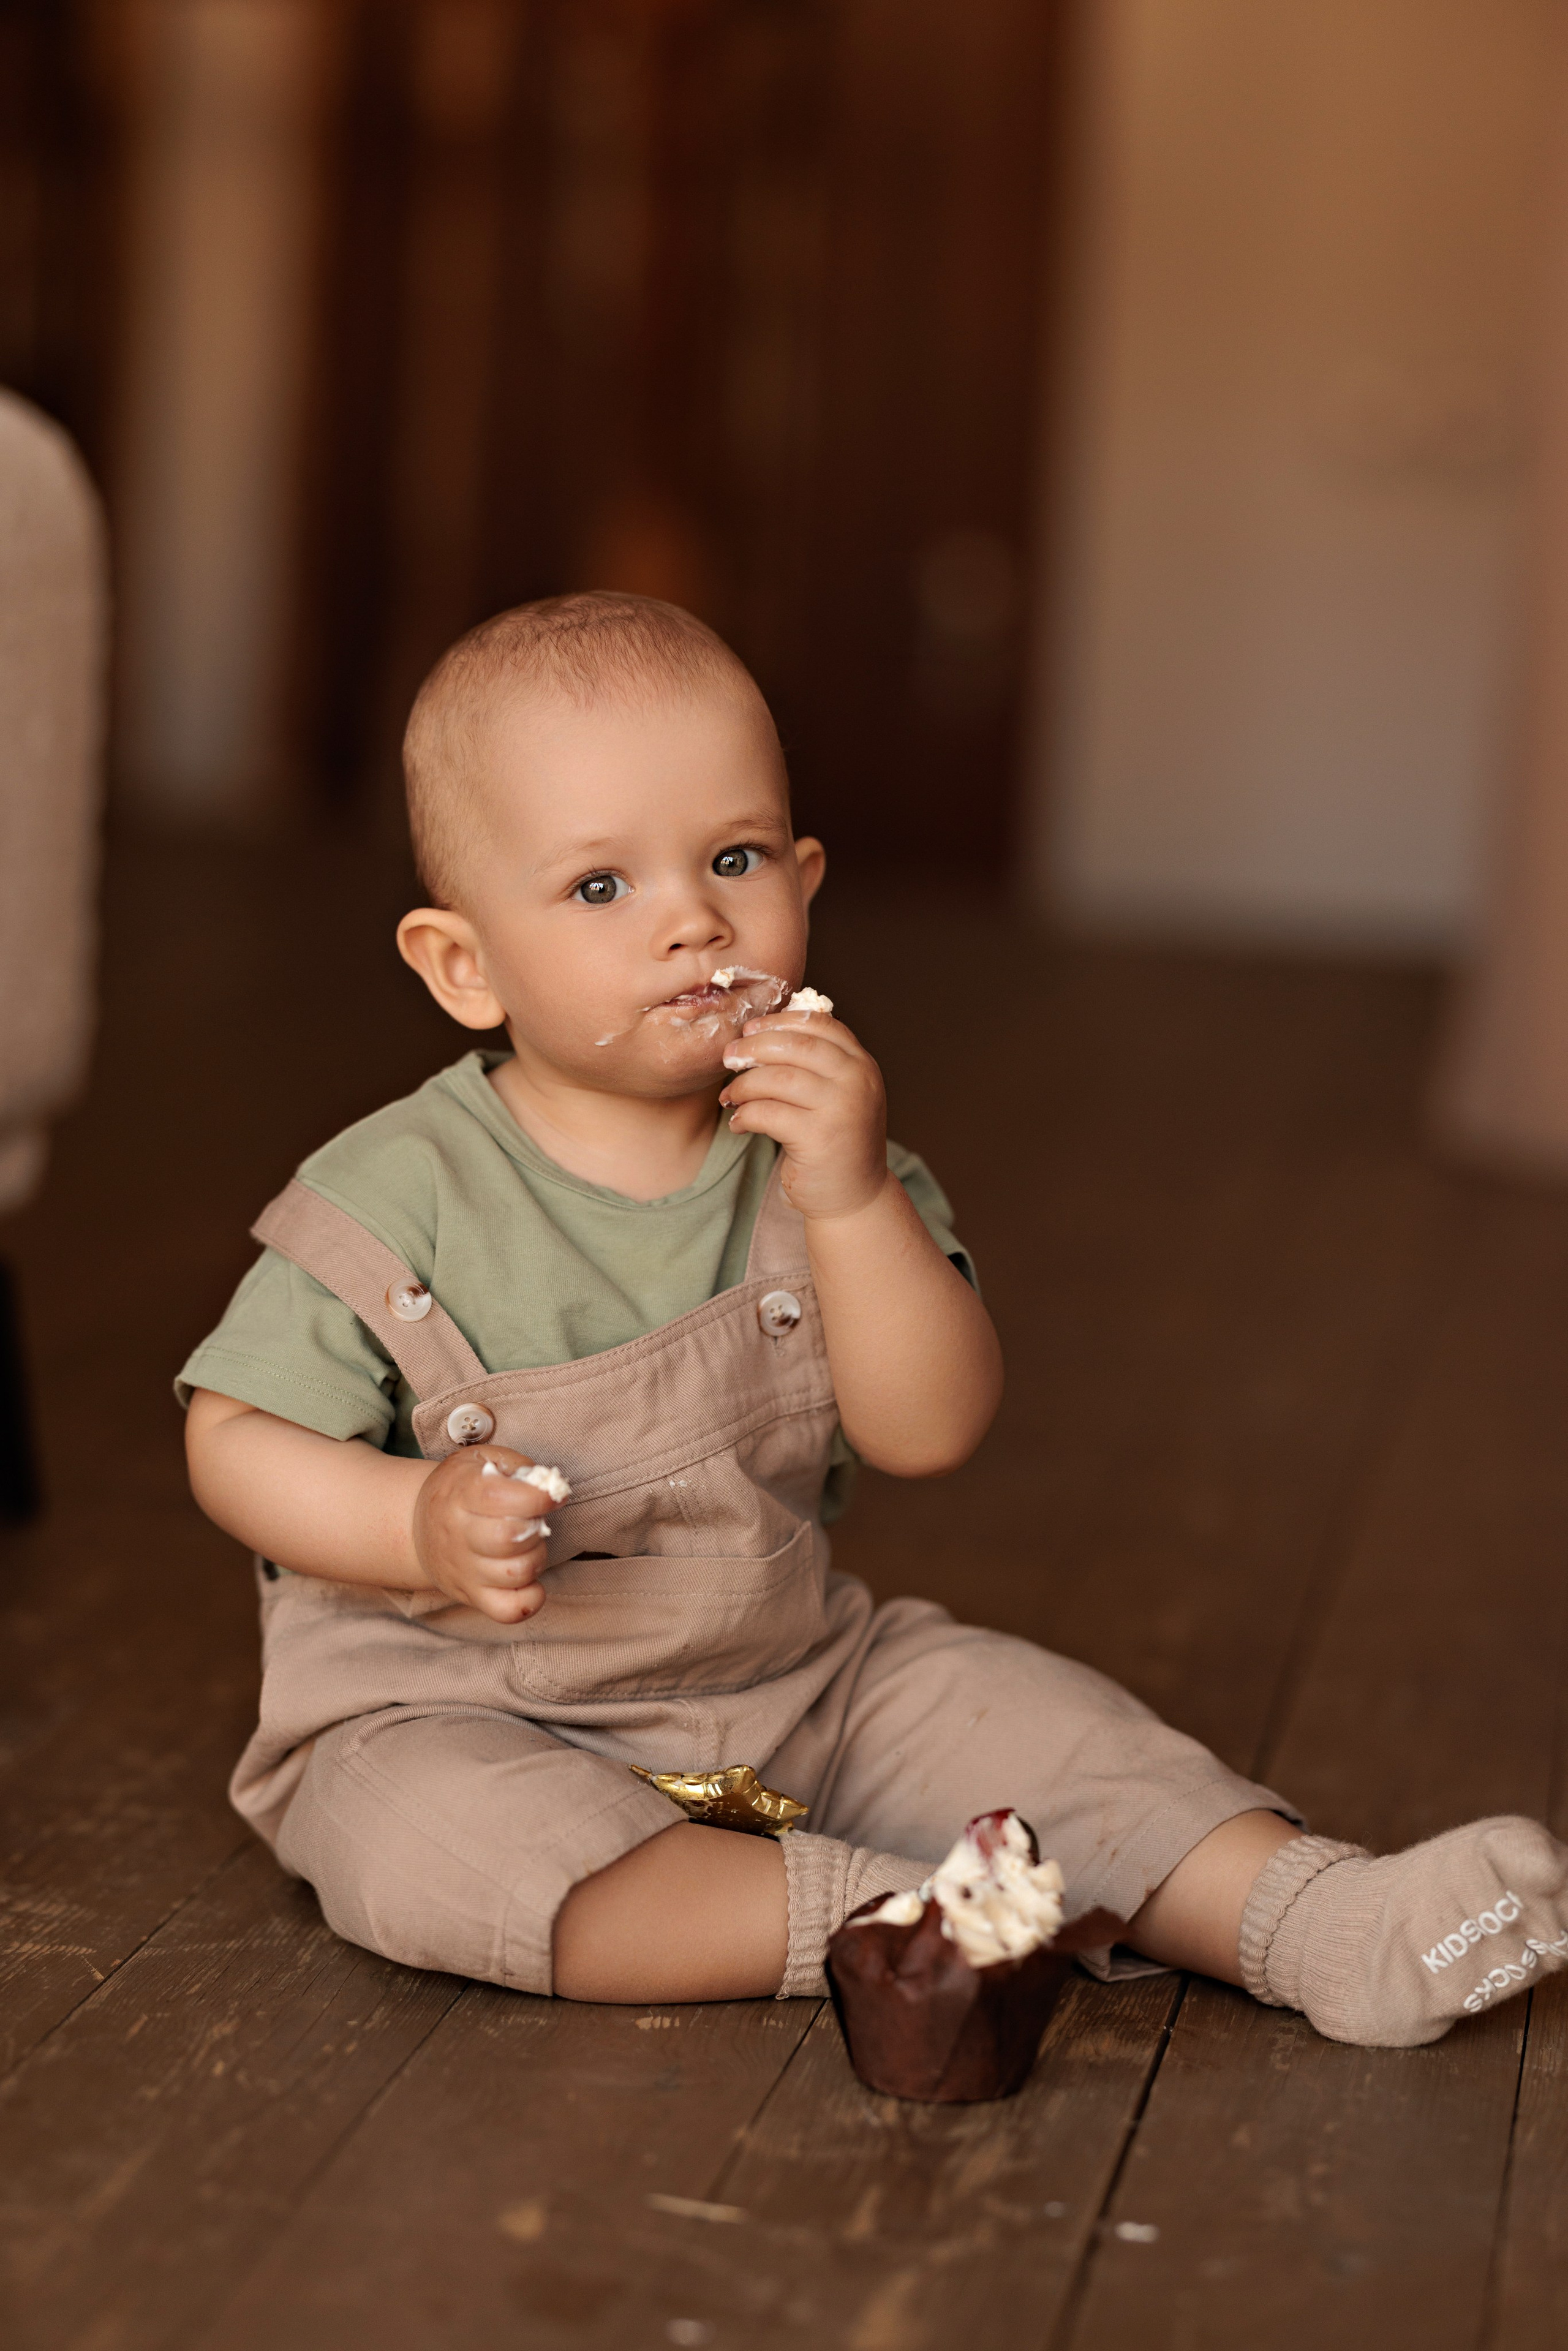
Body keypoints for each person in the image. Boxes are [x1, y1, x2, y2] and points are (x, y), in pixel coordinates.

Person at [180, 592, 1568, 2047]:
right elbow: (232, 1438)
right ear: (463, 965)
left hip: (792, 1684)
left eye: (733, 858)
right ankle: (899, 1918)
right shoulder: (394, 1195)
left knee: (1033, 1726)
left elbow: (928, 1428)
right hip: (456, 1710)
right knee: (433, 1847)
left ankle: (1323, 1922)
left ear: (804, 878)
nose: (691, 918)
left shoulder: (829, 1163)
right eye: (599, 885)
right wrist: (411, 1520)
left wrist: (848, 1200)